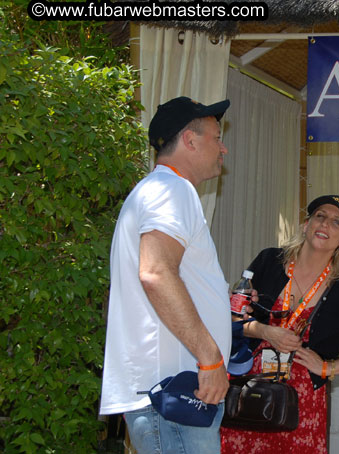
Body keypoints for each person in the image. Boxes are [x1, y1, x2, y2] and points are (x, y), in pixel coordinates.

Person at [100, 96, 233, 454]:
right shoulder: (170, 190)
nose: (223, 147)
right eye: (216, 136)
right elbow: (156, 272)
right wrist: (210, 357)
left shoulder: (156, 191)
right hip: (173, 396)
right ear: (190, 140)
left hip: (172, 396)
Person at [220, 195, 339, 454]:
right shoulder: (269, 261)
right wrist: (264, 330)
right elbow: (233, 317)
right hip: (248, 392)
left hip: (301, 406)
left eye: (336, 222)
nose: (325, 224)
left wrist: (328, 368)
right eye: (320, 216)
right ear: (306, 225)